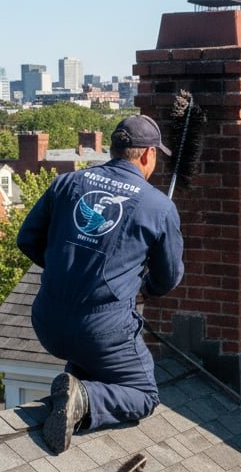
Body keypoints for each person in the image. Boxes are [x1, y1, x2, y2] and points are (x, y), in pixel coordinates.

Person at [17, 114, 184, 453]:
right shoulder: (158, 206)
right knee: (144, 394)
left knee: (88, 362)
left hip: (47, 323)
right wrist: (145, 288)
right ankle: (85, 398)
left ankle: (73, 395)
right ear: (149, 154)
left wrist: (68, 270)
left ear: (114, 149)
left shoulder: (66, 183)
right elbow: (168, 276)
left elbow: (27, 239)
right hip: (102, 333)